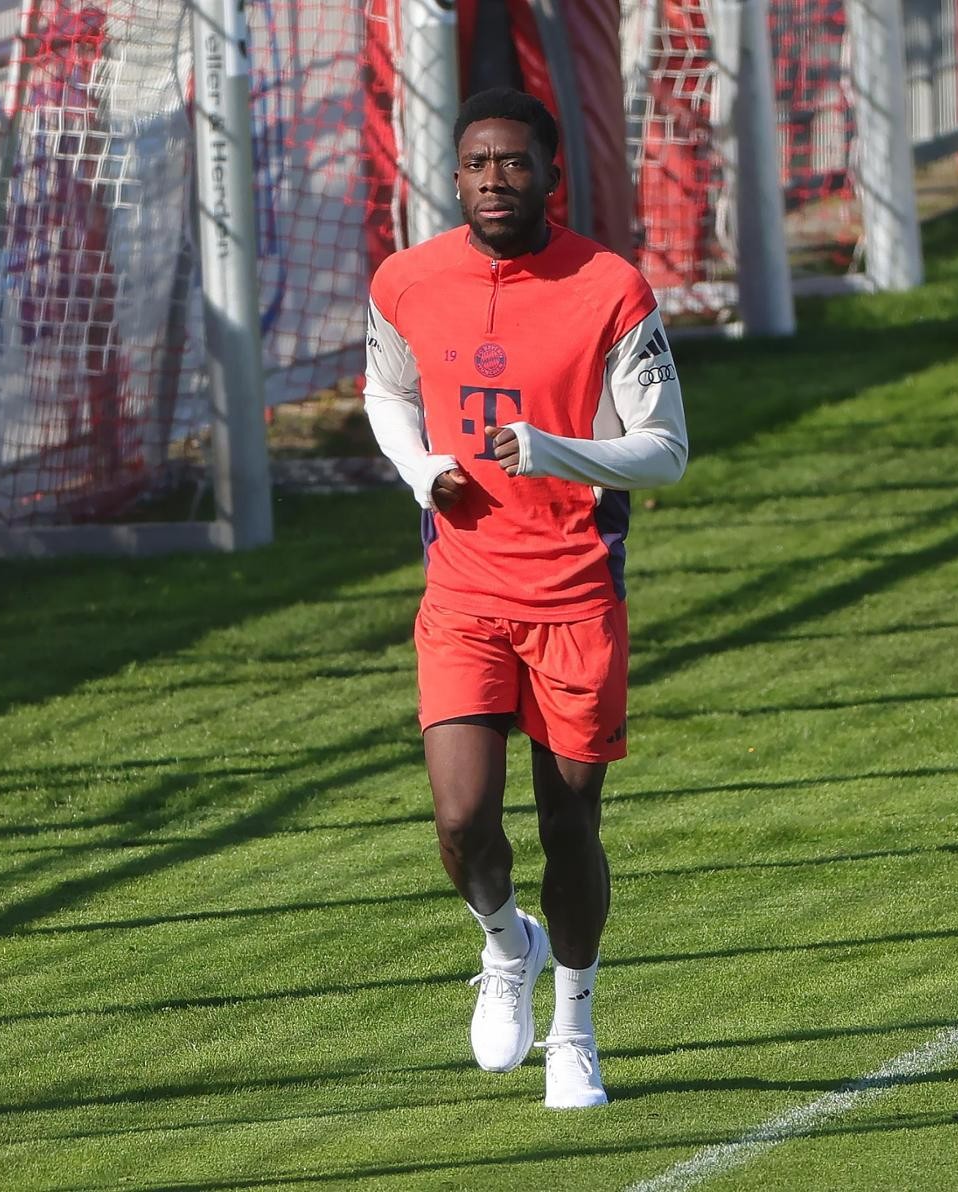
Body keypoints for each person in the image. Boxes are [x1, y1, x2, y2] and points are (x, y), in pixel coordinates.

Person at [361, 87, 687, 1109]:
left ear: (551, 173)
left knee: (568, 825)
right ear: (454, 176)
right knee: (461, 822)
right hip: (463, 592)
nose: (493, 179)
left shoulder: (611, 288)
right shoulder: (406, 281)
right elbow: (386, 391)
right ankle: (508, 946)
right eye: (476, 163)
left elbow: (666, 450)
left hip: (575, 595)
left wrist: (557, 451)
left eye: (512, 162)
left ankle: (574, 1031)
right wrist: (421, 468)